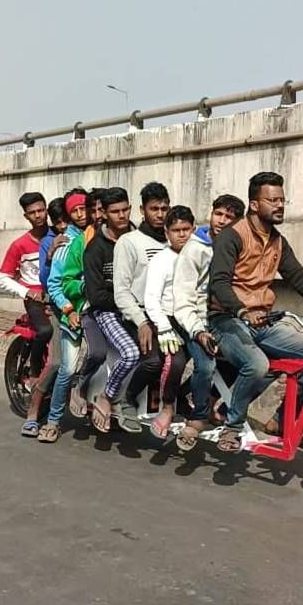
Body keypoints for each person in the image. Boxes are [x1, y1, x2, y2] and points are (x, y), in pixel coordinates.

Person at [208, 172, 303, 454]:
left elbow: (298, 277)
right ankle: (232, 427)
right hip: (226, 319)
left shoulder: (277, 240)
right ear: (254, 205)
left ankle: (282, 421)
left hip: (263, 320)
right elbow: (218, 283)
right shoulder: (232, 236)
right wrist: (241, 311)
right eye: (273, 200)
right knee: (257, 365)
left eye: (282, 200)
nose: (280, 205)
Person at [172, 194, 245, 449]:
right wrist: (198, 330)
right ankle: (198, 416)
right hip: (190, 319)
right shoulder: (194, 249)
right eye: (219, 214)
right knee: (205, 364)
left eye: (229, 217)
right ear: (211, 214)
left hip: (220, 319)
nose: (222, 221)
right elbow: (182, 300)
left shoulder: (234, 247)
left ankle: (202, 398)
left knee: (242, 358)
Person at [80, 187, 141, 433]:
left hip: (142, 309)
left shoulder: (140, 238)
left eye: (125, 209)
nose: (122, 215)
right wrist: (127, 302)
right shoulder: (95, 249)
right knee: (131, 353)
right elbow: (96, 297)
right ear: (103, 213)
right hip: (107, 311)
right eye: (115, 211)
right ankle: (106, 396)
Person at [112, 182, 170, 431]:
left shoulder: (174, 239)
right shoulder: (129, 242)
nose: (160, 214)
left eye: (164, 208)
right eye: (154, 208)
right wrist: (141, 321)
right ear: (142, 211)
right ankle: (127, 399)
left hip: (168, 314)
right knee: (153, 361)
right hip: (137, 314)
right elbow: (121, 292)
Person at [38, 190, 95, 443]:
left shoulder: (98, 235)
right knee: (67, 368)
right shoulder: (66, 242)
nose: (81, 215)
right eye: (76, 211)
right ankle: (53, 420)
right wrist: (68, 309)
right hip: (71, 314)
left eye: (85, 208)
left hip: (97, 311)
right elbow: (54, 284)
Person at [0, 192, 54, 437]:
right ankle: (34, 371)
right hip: (35, 298)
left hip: (59, 294)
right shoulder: (20, 244)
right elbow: (3, 277)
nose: (38, 216)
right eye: (33, 212)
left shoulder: (57, 235)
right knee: (44, 330)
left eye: (41, 210)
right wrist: (27, 292)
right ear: (26, 216)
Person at [143, 205, 196, 439]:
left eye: (186, 229)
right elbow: (151, 298)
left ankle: (186, 397)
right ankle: (167, 407)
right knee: (176, 362)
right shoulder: (161, 260)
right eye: (176, 230)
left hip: (193, 319)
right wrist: (163, 328)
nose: (182, 234)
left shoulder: (201, 256)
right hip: (167, 320)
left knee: (214, 362)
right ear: (167, 232)